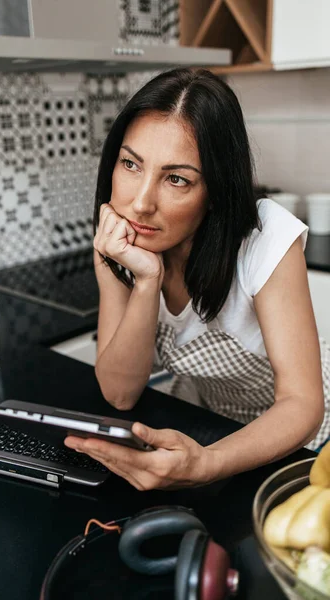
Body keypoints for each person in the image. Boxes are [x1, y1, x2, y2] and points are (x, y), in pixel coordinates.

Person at [64, 68, 330, 490]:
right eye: (131, 164)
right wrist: (147, 283)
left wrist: (207, 464)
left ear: (215, 191)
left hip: (295, 437)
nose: (140, 202)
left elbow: (301, 404)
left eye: (176, 179)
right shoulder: (119, 247)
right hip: (209, 422)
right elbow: (120, 393)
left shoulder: (265, 238)